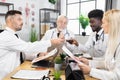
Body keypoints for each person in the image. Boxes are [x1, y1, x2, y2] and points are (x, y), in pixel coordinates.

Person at [0, 10, 64, 79]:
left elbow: (22, 53)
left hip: (16, 72)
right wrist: (50, 42)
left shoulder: (14, 36)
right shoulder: (6, 37)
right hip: (6, 76)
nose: (22, 22)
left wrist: (38, 54)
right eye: (19, 19)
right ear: (9, 21)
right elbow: (28, 47)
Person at [78, 9, 120, 80]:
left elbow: (117, 76)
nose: (102, 26)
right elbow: (107, 62)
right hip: (104, 73)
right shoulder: (113, 41)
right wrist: (89, 62)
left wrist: (91, 71)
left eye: (103, 23)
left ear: (112, 24)